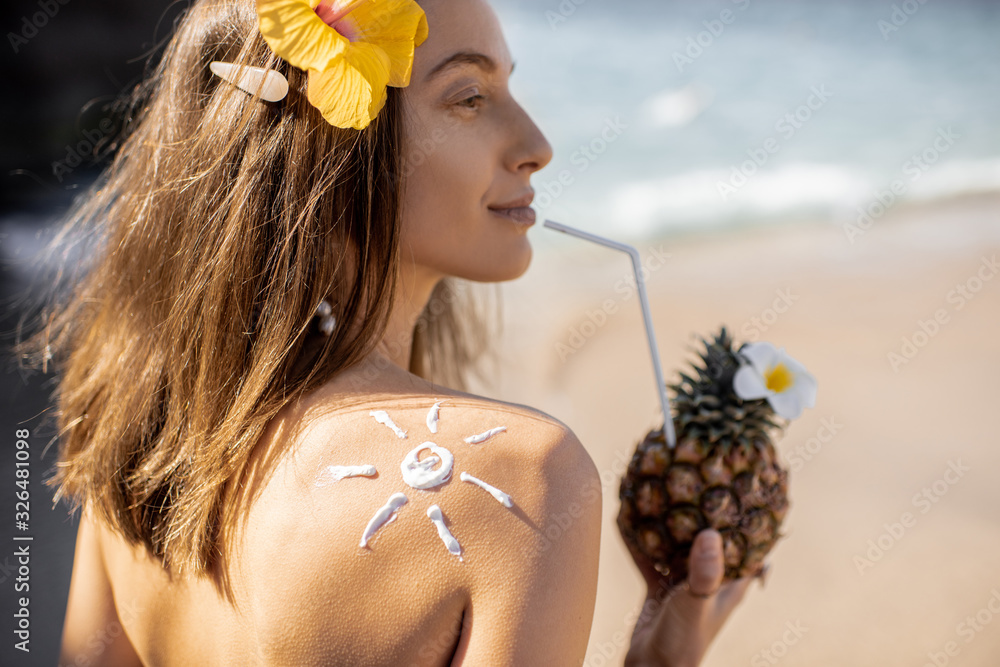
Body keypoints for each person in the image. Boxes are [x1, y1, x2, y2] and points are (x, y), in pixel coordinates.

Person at [20, 0, 756, 664]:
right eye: (469, 96)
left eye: (508, 89)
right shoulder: (520, 478)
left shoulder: (148, 451)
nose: (536, 143)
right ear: (332, 155)